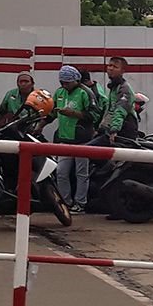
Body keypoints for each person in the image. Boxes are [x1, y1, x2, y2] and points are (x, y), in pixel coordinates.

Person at [50, 65, 94, 212]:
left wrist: (73, 113)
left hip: (82, 139)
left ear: (76, 80)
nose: (64, 85)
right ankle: (65, 202)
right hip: (65, 138)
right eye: (62, 82)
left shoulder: (85, 93)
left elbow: (93, 116)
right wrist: (40, 124)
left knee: (81, 173)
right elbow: (52, 112)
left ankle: (80, 203)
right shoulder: (59, 93)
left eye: (67, 82)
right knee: (61, 172)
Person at [90, 56, 138, 145]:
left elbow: (120, 111)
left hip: (123, 132)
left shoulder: (124, 88)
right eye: (110, 65)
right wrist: (101, 129)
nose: (110, 68)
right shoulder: (114, 87)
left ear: (122, 71)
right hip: (111, 131)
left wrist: (114, 130)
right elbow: (110, 111)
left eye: (115, 67)